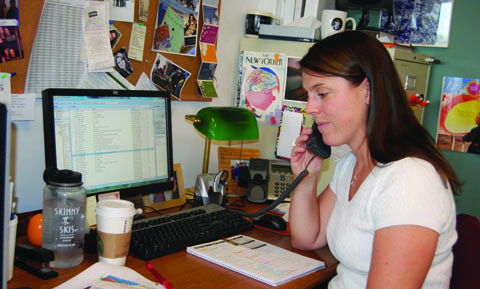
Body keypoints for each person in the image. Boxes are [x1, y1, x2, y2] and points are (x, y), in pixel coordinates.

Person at [289, 31, 461, 289]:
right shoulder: (351, 164)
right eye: (308, 96)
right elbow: (307, 238)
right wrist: (305, 179)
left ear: (367, 90)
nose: (310, 108)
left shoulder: (411, 181)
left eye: (322, 94)